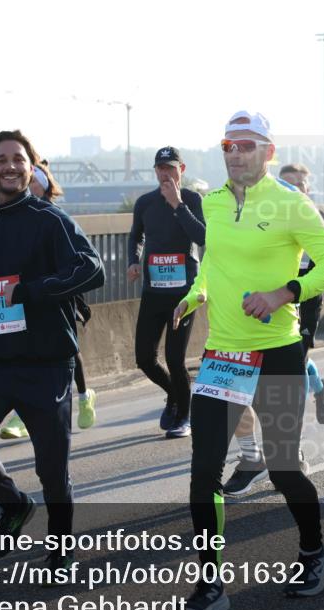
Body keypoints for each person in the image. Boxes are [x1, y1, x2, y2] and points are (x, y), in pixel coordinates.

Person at [172, 110, 324, 610]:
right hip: (224, 353)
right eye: (229, 144)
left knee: (284, 467)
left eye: (247, 145)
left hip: (278, 352)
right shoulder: (212, 202)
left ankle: (313, 550)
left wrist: (284, 293)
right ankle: (211, 584)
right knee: (203, 471)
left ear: (268, 152)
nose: (236, 153)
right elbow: (213, 260)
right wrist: (195, 292)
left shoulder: (292, 205)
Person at [0, 130, 105, 578]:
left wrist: (31, 292)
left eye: (18, 159)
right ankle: (14, 505)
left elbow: (93, 268)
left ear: (32, 167)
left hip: (47, 365)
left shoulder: (50, 219)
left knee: (53, 471)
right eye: (1, 160)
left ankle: (61, 549)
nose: (10, 166)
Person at [222, 163, 324, 497]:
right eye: (287, 184)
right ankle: (251, 456)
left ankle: (292, 451)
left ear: (308, 188)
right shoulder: (261, 214)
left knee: (288, 382)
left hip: (301, 307)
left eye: (299, 185)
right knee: (237, 381)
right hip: (257, 308)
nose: (293, 190)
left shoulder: (313, 217)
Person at [0, 161, 98, 438]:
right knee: (26, 350)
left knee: (69, 349)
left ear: (43, 187)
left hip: (57, 294)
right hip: (28, 295)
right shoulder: (15, 217)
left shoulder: (56, 217)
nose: (28, 187)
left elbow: (81, 262)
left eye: (33, 183)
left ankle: (84, 396)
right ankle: (20, 417)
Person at [127, 147, 206, 438]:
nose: (165, 173)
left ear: (181, 169)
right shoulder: (145, 203)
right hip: (153, 290)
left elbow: (202, 237)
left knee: (175, 358)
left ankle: (184, 415)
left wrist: (177, 204)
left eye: (170, 168)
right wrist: (133, 261)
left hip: (184, 292)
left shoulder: (194, 200)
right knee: (145, 358)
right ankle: (175, 393)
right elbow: (136, 235)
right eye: (160, 168)